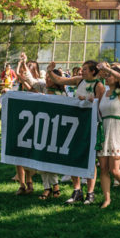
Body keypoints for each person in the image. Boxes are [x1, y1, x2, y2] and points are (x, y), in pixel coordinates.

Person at [44, 58, 103, 205]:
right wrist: (50, 71)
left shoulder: (99, 85)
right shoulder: (79, 80)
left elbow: (101, 106)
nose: (81, 71)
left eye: (85, 69)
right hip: (75, 122)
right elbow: (60, 80)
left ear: (93, 71)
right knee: (73, 156)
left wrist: (90, 100)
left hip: (90, 124)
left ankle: (90, 193)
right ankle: (77, 191)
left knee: (90, 159)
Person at [92, 62, 120, 208]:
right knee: (103, 168)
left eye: (109, 76)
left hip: (116, 130)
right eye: (106, 76)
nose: (107, 78)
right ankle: (107, 198)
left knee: (114, 169)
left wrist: (107, 69)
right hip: (103, 129)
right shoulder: (104, 93)